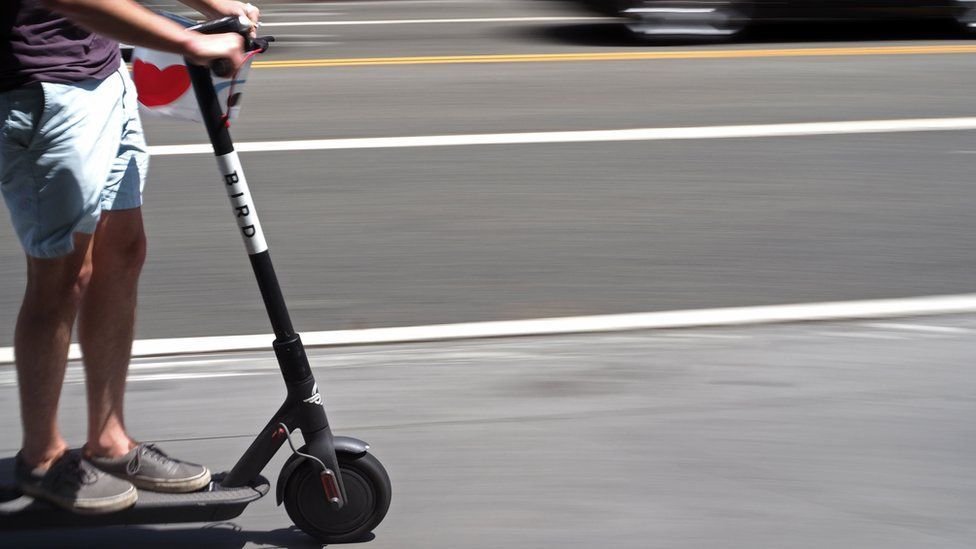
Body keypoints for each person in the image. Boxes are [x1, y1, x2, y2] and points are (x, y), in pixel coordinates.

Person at [1, 0, 259, 514]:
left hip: (104, 74)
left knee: (123, 252)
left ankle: (109, 440)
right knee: (63, 277)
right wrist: (190, 41)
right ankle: (42, 457)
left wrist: (213, 6)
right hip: (43, 89)